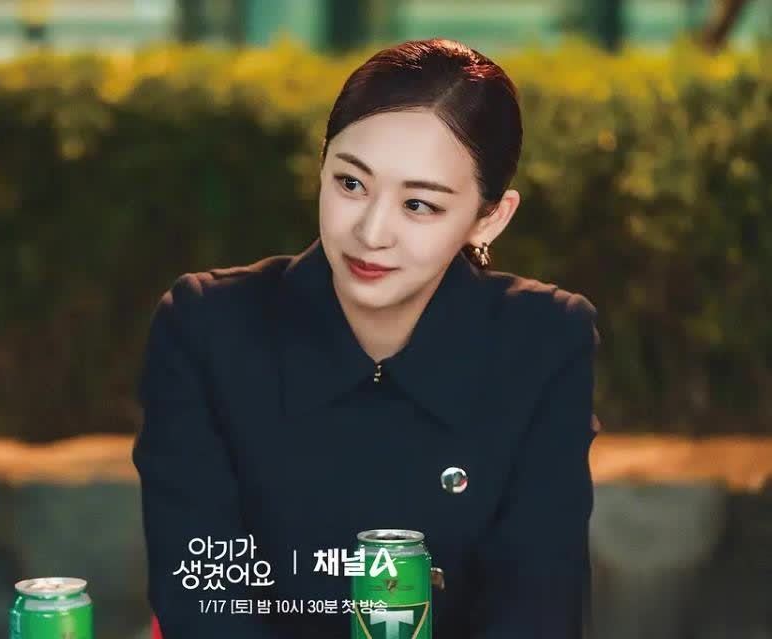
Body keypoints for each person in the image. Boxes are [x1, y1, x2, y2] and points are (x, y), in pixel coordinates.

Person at [133, 38, 601, 639]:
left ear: (490, 217)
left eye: (419, 205)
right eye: (351, 184)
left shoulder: (543, 342)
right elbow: (205, 599)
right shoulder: (207, 327)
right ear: (322, 167)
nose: (371, 233)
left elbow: (538, 606)